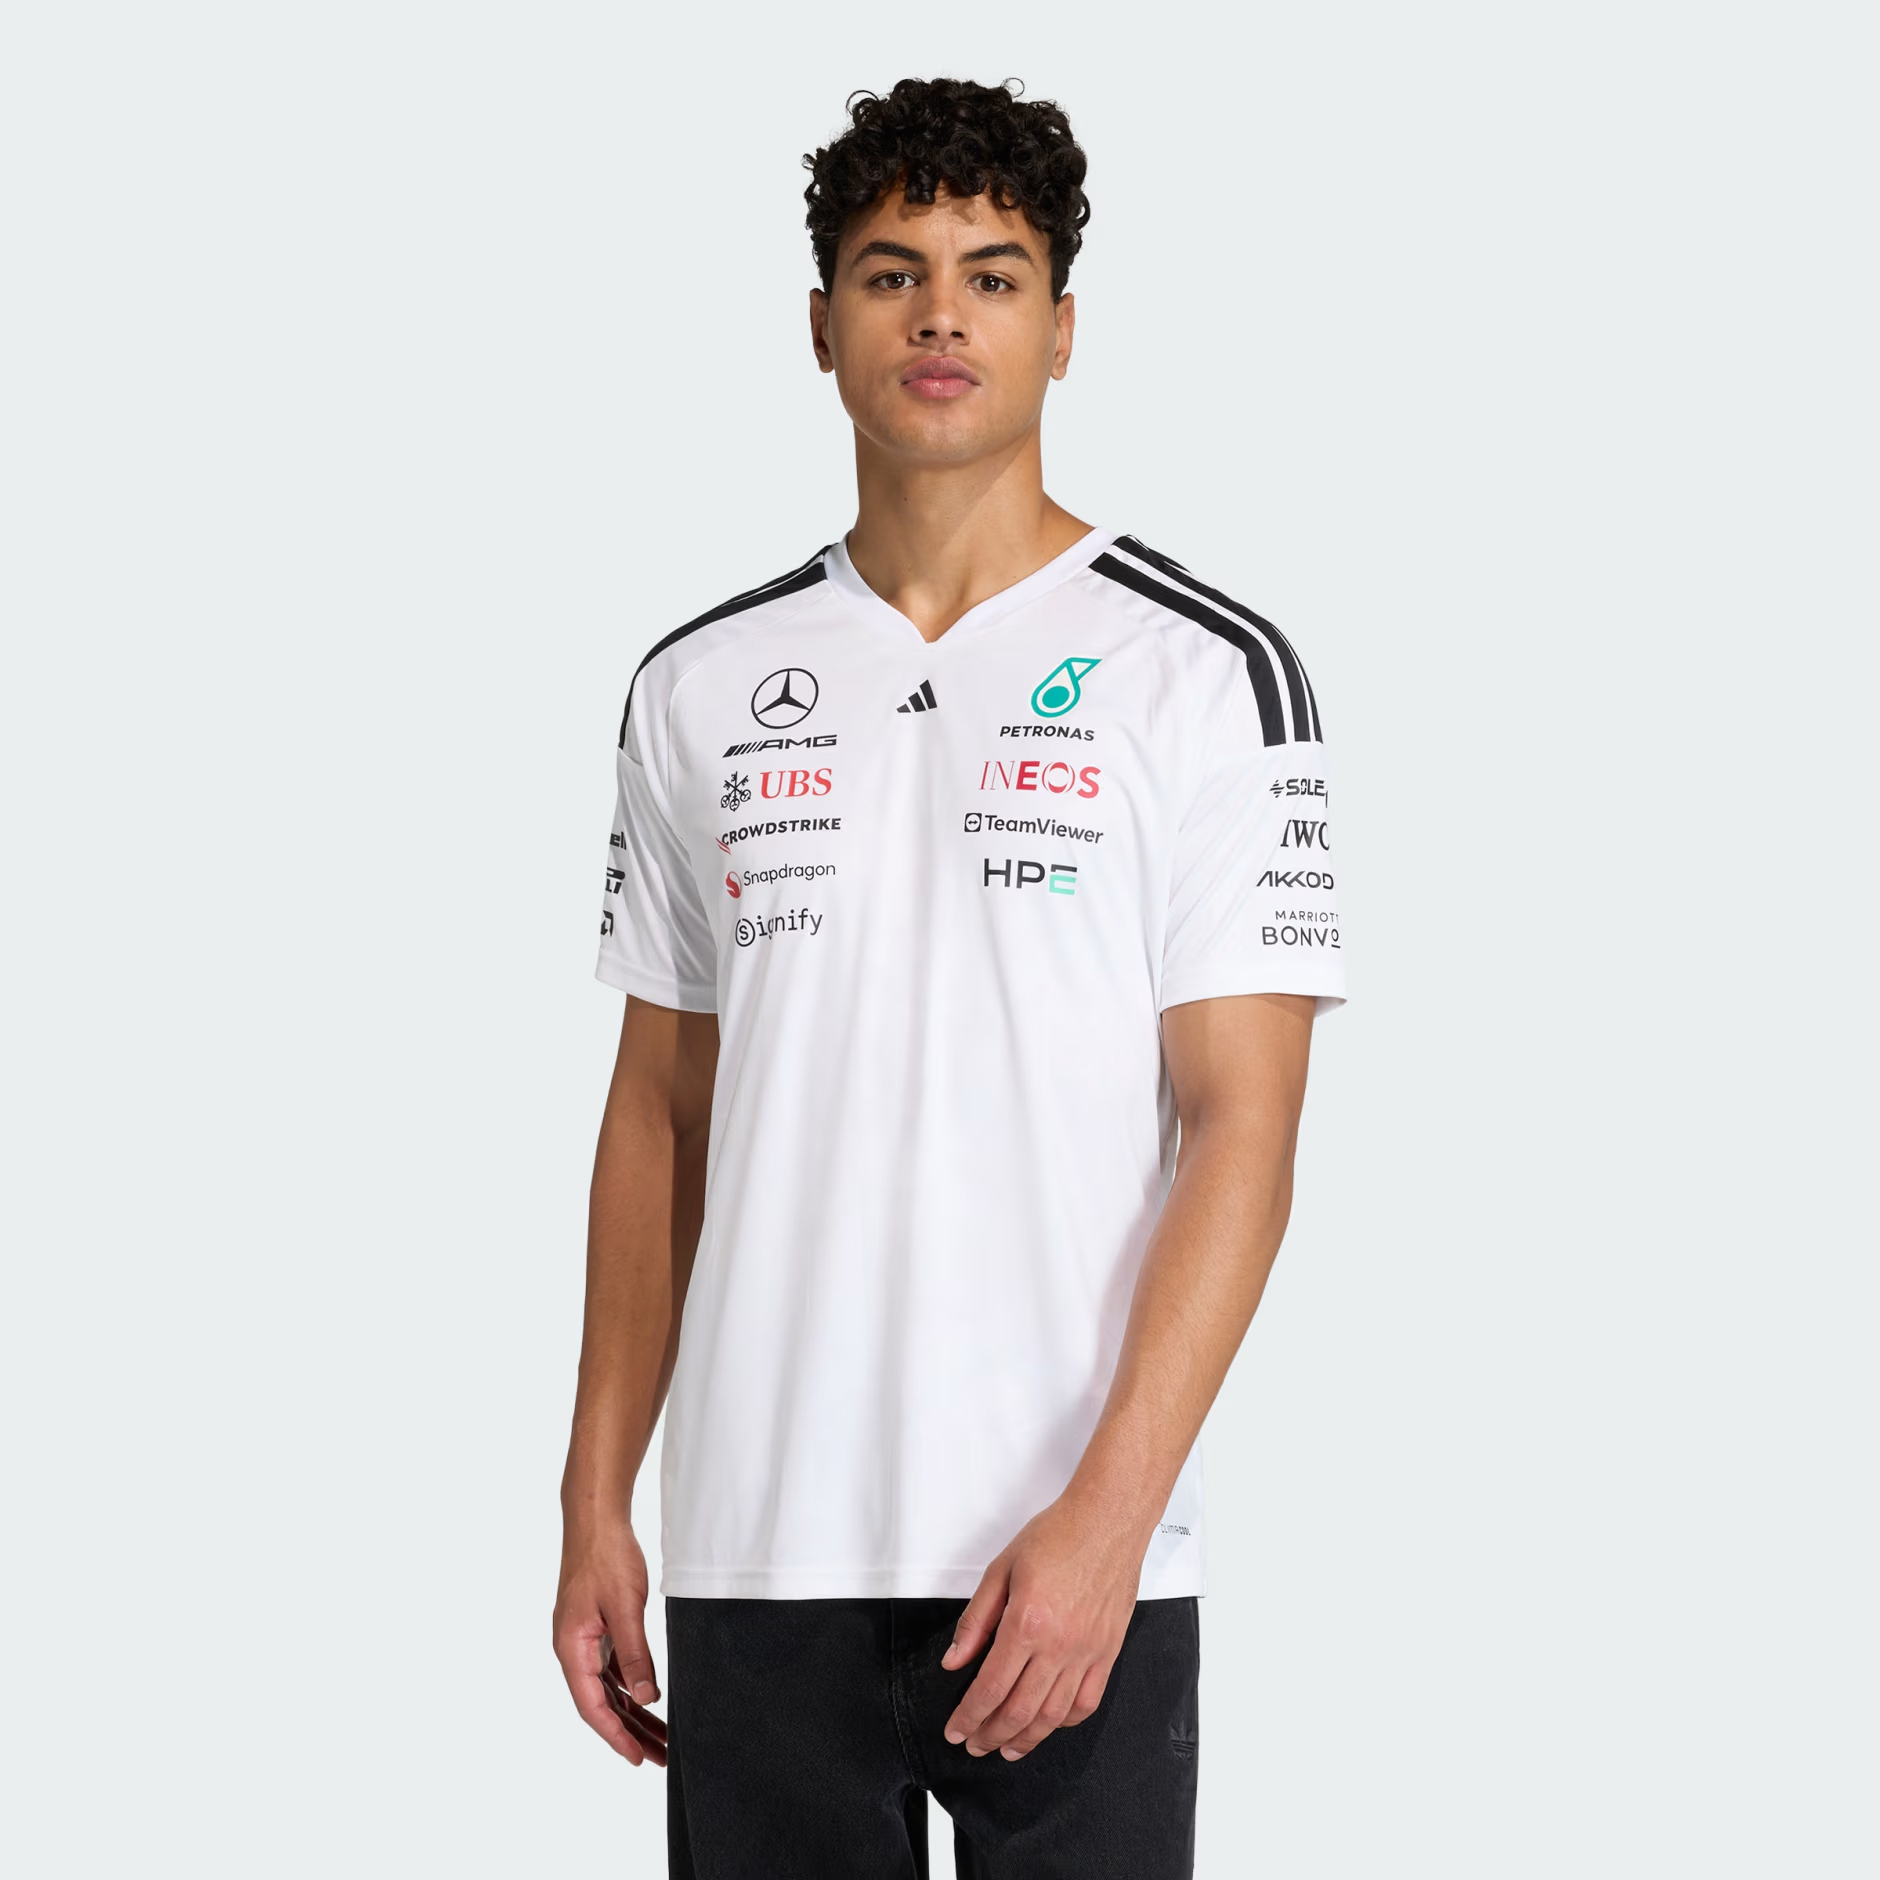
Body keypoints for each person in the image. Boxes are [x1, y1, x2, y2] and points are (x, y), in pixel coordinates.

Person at [553, 75, 1348, 1879]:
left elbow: (1245, 1130)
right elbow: (659, 1118)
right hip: (759, 1553)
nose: (938, 315)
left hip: (1073, 1560)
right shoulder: (697, 687)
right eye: (891, 272)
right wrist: (598, 1495)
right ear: (820, 323)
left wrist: (1111, 1519)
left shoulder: (1206, 673)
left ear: (1062, 330)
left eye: (992, 276)